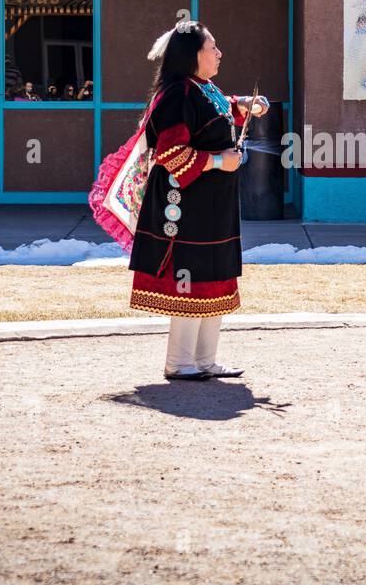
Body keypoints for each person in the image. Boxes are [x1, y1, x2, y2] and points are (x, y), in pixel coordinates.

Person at [92, 20, 268, 381]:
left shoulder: (201, 88)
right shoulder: (176, 94)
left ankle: (206, 360)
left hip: (212, 206)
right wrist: (220, 161)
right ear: (193, 55)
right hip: (186, 204)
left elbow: (218, 112)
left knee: (214, 273)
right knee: (191, 275)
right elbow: (172, 153)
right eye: (212, 48)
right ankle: (179, 362)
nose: (219, 54)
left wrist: (245, 105)